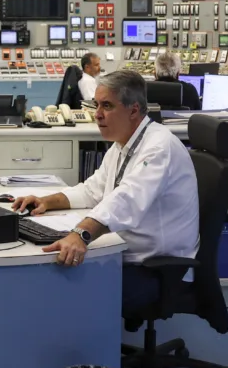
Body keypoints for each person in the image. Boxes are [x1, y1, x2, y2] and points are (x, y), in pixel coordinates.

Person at [12, 70, 200, 312]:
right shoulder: (125, 141)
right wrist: (47, 201)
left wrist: (81, 234)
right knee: (48, 278)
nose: (97, 114)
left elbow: (127, 200)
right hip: (126, 255)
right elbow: (93, 190)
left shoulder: (158, 148)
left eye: (107, 106)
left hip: (155, 269)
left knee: (56, 288)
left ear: (133, 110)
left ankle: (83, 350)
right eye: (96, 105)